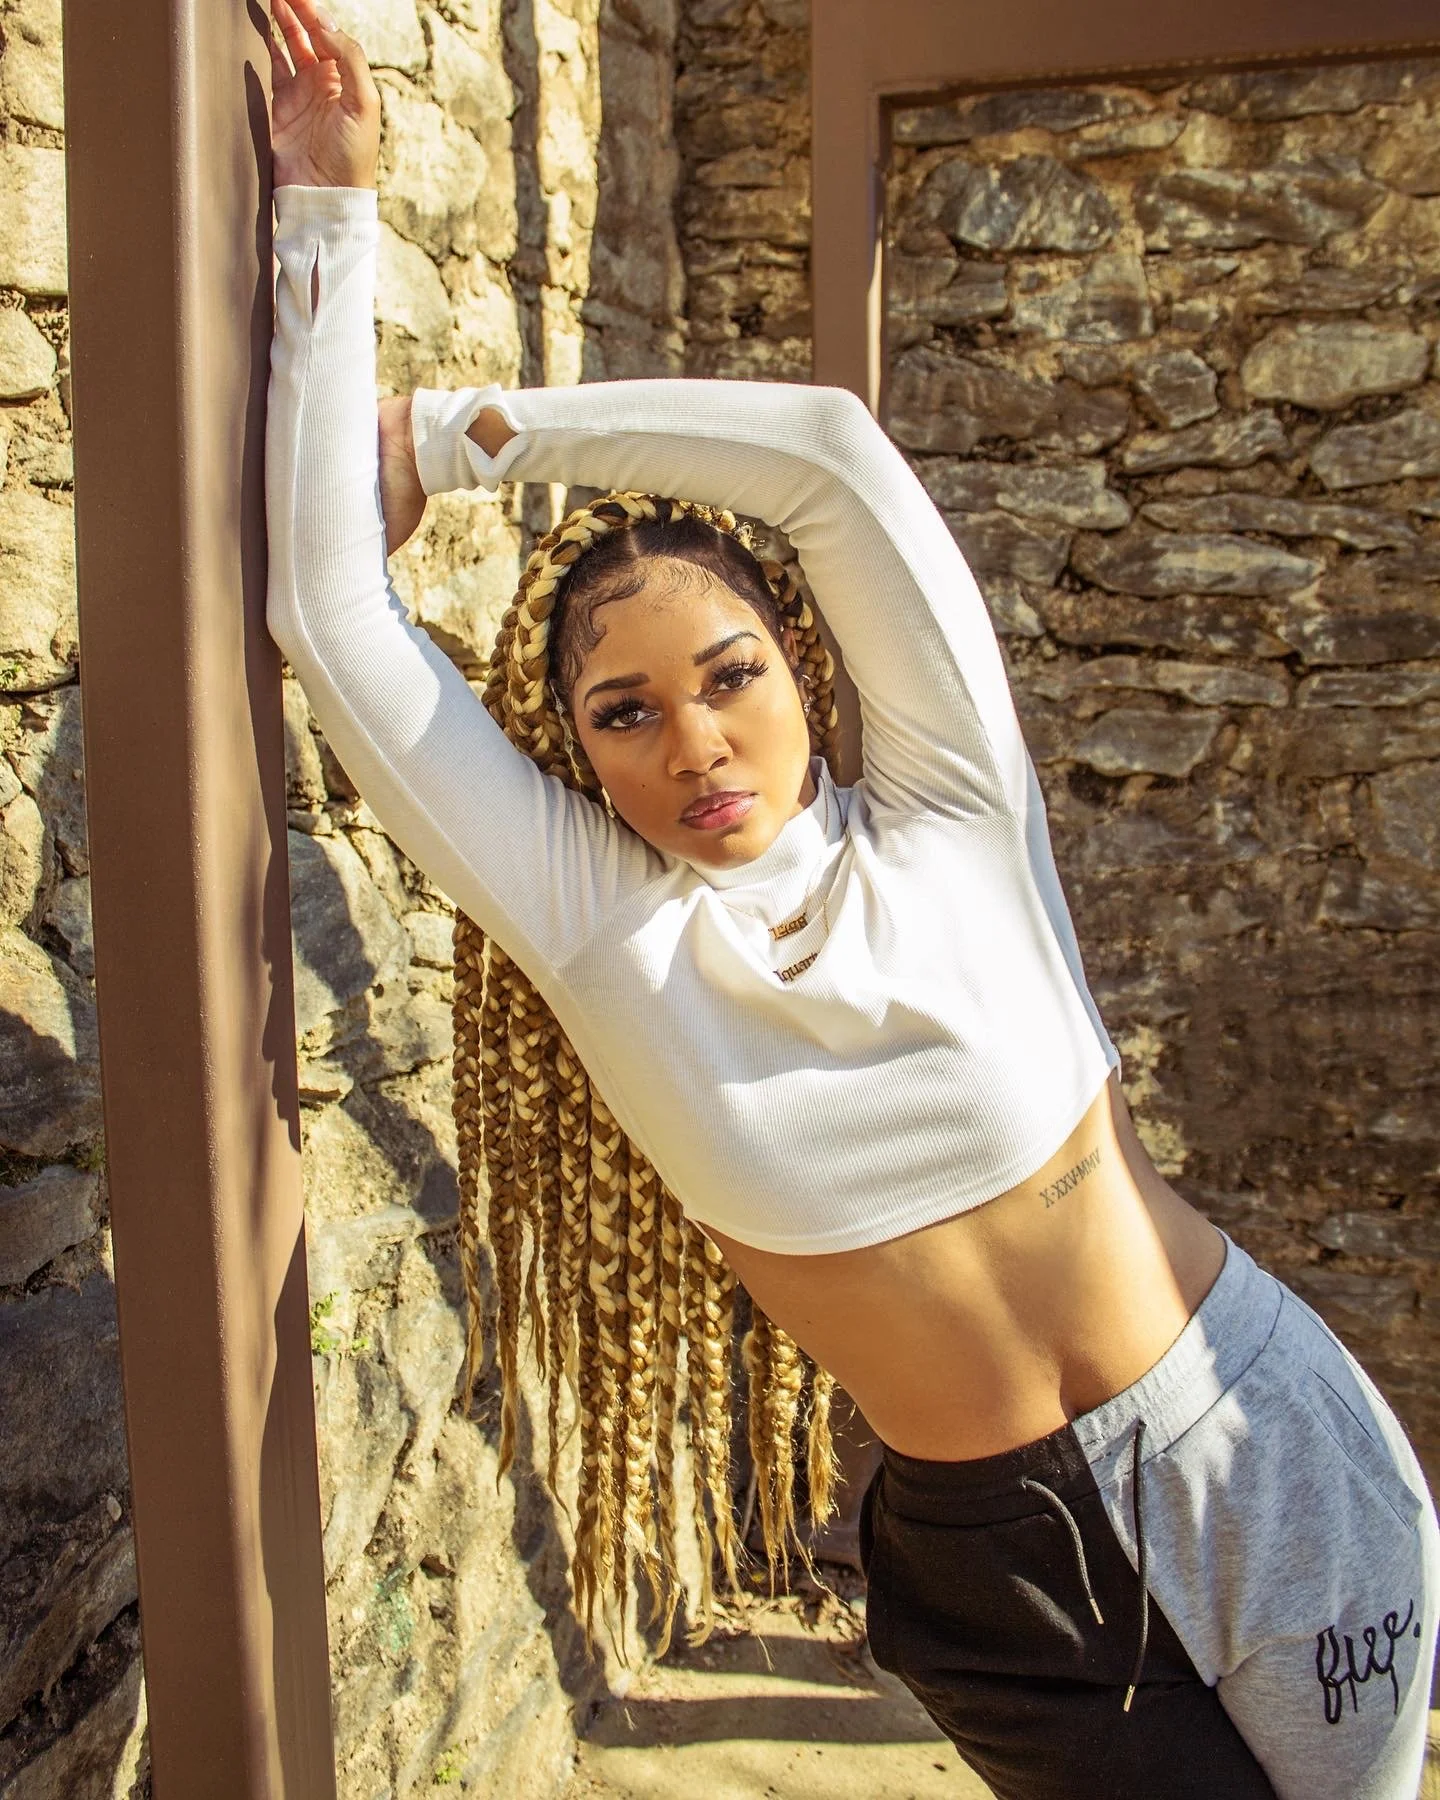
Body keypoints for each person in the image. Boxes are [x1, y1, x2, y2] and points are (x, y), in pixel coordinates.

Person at [265, 4, 1439, 1795]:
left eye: (733, 675)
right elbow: (328, 620)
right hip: (999, 1570)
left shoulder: (959, 818)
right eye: (626, 715)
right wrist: (328, 229)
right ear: (576, 759)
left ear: (810, 671)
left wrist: (452, 435)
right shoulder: (600, 922)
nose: (695, 739)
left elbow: (822, 453)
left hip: (1258, 1441)